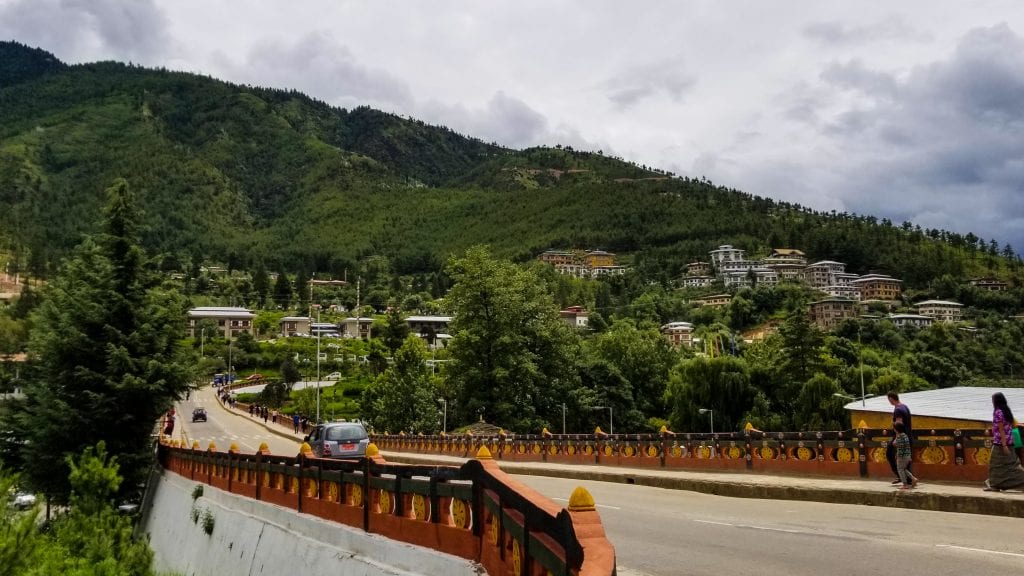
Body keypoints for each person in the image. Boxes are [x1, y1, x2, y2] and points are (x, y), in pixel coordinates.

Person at [984, 392, 1024, 491]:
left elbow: (1001, 429)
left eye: (992, 399)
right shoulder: (1007, 411)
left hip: (1000, 443)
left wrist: (1004, 445)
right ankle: (996, 485)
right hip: (1010, 441)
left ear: (996, 401)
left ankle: (995, 485)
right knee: (1012, 465)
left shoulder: (998, 412)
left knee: (996, 465)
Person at [885, 391, 913, 485]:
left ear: (891, 399)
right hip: (908, 436)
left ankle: (901, 477)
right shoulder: (905, 407)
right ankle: (908, 479)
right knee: (906, 459)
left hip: (900, 437)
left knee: (890, 454)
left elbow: (898, 425)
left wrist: (896, 439)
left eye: (889, 400)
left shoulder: (898, 410)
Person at [893, 421, 917, 489]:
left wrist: (898, 456)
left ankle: (905, 484)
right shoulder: (905, 435)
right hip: (907, 455)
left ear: (896, 429)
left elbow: (900, 448)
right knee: (903, 469)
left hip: (902, 456)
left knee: (900, 469)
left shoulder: (899, 437)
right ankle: (913, 479)